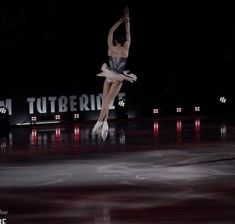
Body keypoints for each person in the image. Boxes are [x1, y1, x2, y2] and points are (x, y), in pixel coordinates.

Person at [92, 6, 136, 140]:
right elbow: (128, 35)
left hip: (110, 77)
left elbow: (111, 31)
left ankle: (101, 123)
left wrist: (121, 21)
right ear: (122, 42)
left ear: (115, 41)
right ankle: (102, 123)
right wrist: (127, 22)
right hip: (117, 78)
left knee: (106, 101)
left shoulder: (111, 48)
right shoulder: (125, 49)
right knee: (107, 102)